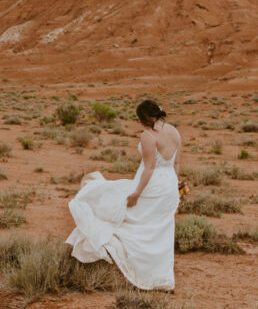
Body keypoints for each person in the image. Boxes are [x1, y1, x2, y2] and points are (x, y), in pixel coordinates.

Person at [66, 99, 181, 290]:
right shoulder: (174, 132)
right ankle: (162, 278)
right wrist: (175, 187)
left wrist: (136, 193)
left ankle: (141, 270)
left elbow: (149, 168)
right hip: (169, 185)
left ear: (143, 117)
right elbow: (177, 164)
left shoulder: (148, 136)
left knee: (132, 222)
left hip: (150, 186)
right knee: (159, 232)